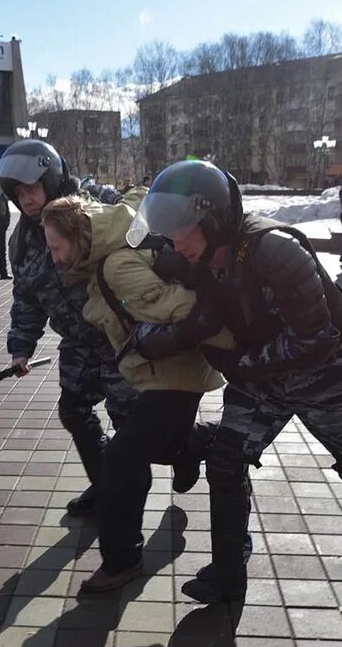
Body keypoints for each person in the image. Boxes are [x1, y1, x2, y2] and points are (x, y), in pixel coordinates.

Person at [125, 160, 342, 603]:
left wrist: (241, 364)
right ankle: (228, 574)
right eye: (168, 231)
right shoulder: (193, 255)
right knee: (227, 460)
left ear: (213, 221)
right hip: (260, 376)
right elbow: (146, 278)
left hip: (327, 376)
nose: (175, 243)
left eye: (182, 230)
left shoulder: (275, 251)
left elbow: (316, 338)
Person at [39, 192, 228, 593]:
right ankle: (200, 442)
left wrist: (207, 321)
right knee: (154, 449)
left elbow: (179, 307)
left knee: (121, 462)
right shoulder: (107, 252)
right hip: (163, 371)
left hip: (175, 373)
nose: (55, 257)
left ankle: (120, 561)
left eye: (57, 248)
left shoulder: (116, 263)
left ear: (78, 236)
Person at [0, 139, 138, 517]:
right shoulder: (22, 241)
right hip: (78, 343)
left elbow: (141, 219)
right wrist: (20, 347)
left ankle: (191, 449)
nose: (27, 200)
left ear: (52, 179)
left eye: (33, 188)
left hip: (121, 339)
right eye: (19, 193)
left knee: (134, 426)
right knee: (73, 411)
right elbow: (26, 298)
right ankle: (106, 487)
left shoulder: (93, 205)